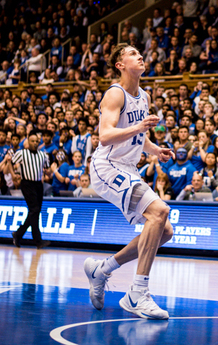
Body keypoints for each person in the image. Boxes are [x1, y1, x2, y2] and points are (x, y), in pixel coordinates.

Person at [83, 44, 176, 320]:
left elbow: (139, 137)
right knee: (159, 212)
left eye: (140, 53)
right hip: (107, 166)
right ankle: (137, 293)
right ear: (120, 65)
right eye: (133, 54)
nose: (140, 56)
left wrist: (155, 149)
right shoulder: (115, 93)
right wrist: (138, 127)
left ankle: (102, 270)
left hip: (128, 168)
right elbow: (106, 135)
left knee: (165, 231)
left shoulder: (143, 95)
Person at [10, 133, 51, 249]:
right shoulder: (22, 153)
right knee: (35, 210)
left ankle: (18, 234)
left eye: (36, 141)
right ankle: (38, 241)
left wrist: (49, 172)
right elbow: (10, 163)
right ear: (28, 141)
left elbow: (47, 170)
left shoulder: (43, 155)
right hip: (27, 183)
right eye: (32, 141)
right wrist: (14, 175)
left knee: (35, 212)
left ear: (39, 142)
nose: (34, 143)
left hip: (38, 184)